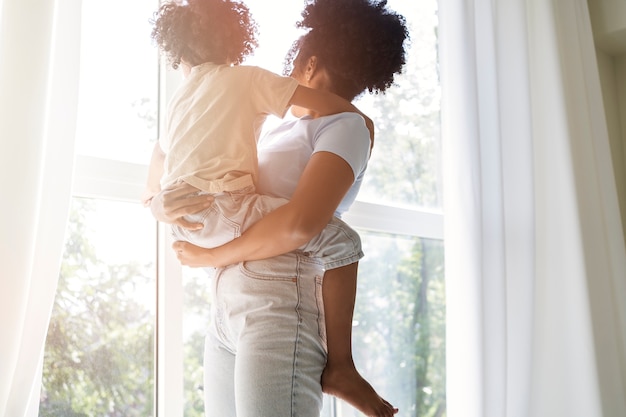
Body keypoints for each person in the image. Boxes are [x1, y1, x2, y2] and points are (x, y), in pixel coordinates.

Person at [149, 0, 408, 416]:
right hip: (227, 305)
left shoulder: (345, 125)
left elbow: (299, 225)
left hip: (277, 304)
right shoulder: (279, 126)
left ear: (309, 65)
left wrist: (211, 255)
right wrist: (163, 204)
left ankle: (341, 367)